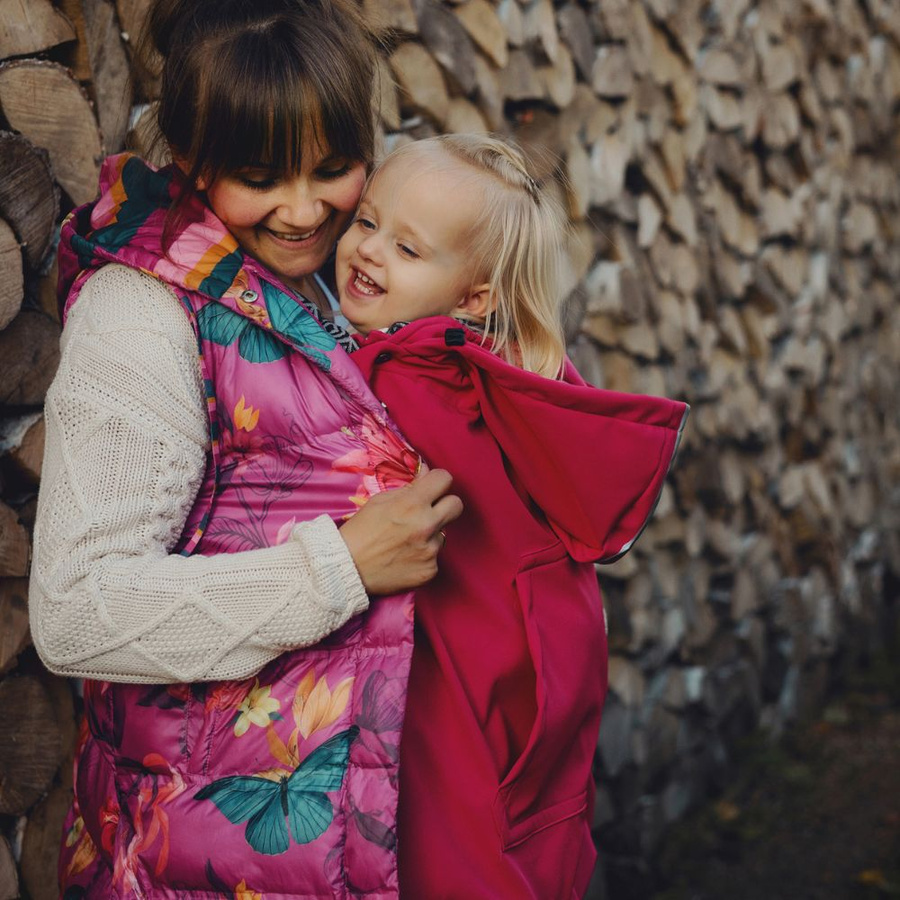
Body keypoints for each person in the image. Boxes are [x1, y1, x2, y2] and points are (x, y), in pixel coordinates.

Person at [29, 1, 462, 896]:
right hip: (200, 858)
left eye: (334, 169)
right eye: (260, 176)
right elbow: (75, 610)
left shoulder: (349, 277)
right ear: (190, 159)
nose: (305, 210)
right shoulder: (141, 316)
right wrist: (338, 567)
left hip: (351, 838)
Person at [326, 134, 691, 897]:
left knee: (449, 853)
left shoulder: (403, 378)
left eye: (408, 247)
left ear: (473, 297)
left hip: (454, 667)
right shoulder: (509, 382)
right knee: (516, 837)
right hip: (533, 659)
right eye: (365, 222)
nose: (368, 252)